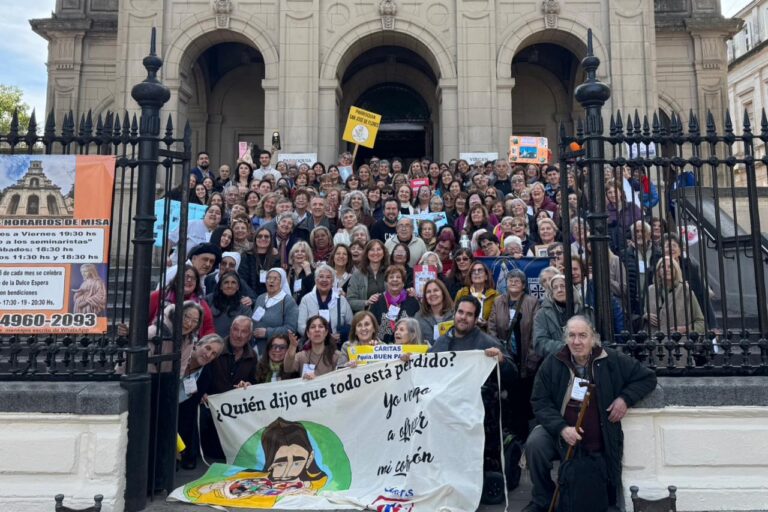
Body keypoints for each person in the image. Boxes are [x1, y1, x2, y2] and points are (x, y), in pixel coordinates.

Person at [523, 316, 657, 512]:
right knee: (535, 443)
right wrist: (561, 428)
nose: (577, 342)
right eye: (572, 336)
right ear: (565, 339)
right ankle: (543, 498)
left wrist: (625, 399)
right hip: (561, 431)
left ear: (593, 338)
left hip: (598, 434)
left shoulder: (611, 359)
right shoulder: (553, 363)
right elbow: (540, 402)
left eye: (583, 336)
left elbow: (647, 378)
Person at [488, 269, 541, 438]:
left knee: (523, 401)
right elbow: (491, 328)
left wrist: (532, 360)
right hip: (505, 359)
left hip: (526, 359)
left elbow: (535, 332)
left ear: (524, 285)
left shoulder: (532, 302)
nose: (513, 283)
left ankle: (523, 436)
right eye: (511, 280)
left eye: (517, 281)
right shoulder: (498, 302)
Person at [177, 333, 224, 469]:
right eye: (207, 348)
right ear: (197, 345)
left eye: (214, 354)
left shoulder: (207, 374)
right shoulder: (180, 356)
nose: (209, 355)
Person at [646, 256, 705, 335]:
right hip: (654, 343)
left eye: (670, 267)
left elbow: (701, 322)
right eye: (663, 267)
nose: (666, 269)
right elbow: (644, 314)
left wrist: (685, 329)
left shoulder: (685, 290)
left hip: (678, 343)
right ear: (658, 271)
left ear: (676, 271)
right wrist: (646, 316)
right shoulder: (650, 290)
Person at [533, 274, 586, 358]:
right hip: (555, 362)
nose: (559, 290)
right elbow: (539, 343)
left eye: (563, 286)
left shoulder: (584, 311)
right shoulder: (542, 314)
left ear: (570, 289)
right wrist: (567, 348)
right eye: (555, 287)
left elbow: (594, 337)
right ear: (551, 292)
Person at [297, 264, 353, 340]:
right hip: (312, 344)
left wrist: (341, 335)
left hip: (337, 344)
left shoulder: (341, 300)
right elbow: (301, 326)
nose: (324, 280)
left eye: (328, 277)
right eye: (321, 276)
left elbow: (351, 324)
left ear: (332, 281)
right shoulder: (306, 299)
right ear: (316, 280)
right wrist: (323, 337)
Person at [251, 268, 299, 355]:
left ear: (282, 282)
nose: (271, 281)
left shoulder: (288, 301)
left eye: (275, 278)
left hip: (276, 350)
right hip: (255, 347)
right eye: (268, 278)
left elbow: (291, 329)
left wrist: (267, 332)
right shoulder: (260, 298)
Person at [369, 265, 421, 344]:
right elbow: (371, 325)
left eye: (398, 277)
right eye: (391, 277)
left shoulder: (412, 301)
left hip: (407, 347)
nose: (395, 279)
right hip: (382, 348)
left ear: (403, 282)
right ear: (386, 282)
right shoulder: (377, 300)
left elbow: (416, 327)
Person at [205, 271, 253, 338]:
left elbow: (247, 330)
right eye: (226, 282)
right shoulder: (209, 300)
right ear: (221, 286)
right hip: (210, 341)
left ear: (238, 287)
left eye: (233, 283)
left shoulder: (244, 305)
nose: (229, 286)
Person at [454, 261, 500, 330]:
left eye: (480, 270)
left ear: (486, 276)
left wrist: (486, 324)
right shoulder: (462, 293)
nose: (476, 273)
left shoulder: (495, 295)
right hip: (464, 332)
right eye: (473, 271)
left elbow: (498, 321)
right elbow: (454, 314)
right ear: (470, 276)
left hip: (485, 334)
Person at [347, 240, 388, 312]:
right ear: (366, 253)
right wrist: (367, 302)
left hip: (388, 316)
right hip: (366, 316)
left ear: (384, 252)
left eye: (379, 249)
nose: (375, 253)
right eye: (372, 250)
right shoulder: (357, 274)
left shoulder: (390, 271)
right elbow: (350, 301)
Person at [239, 227, 281, 297]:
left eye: (266, 236)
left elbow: (277, 280)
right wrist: (254, 298)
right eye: (259, 236)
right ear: (255, 239)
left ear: (271, 239)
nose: (263, 238)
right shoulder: (246, 256)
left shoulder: (276, 257)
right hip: (249, 297)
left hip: (270, 296)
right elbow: (242, 280)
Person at [415, 279, 455, 345]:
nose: (432, 294)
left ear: (443, 293)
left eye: (436, 290)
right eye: (428, 292)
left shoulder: (455, 314)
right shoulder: (418, 317)